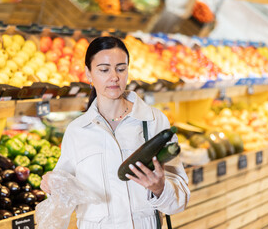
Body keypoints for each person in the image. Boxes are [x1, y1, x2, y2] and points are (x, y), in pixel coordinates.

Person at [41, 36, 190, 228]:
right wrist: (51, 186)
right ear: (88, 74)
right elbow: (64, 194)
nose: (114, 77)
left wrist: (160, 188)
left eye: (121, 69)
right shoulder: (77, 131)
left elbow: (181, 200)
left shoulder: (153, 121)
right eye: (104, 70)